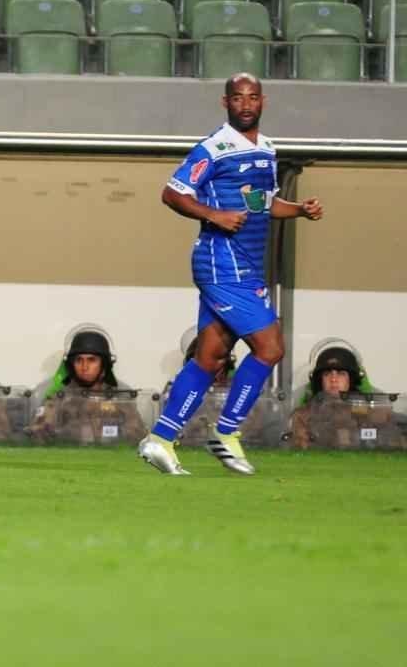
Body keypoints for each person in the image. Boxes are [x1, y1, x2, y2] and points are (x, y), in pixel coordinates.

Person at [139, 73, 324, 475]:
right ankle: (226, 433)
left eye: (252, 97)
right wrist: (213, 214)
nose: (245, 104)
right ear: (226, 103)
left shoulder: (267, 149)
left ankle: (160, 440)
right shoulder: (214, 147)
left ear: (263, 101)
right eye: (237, 98)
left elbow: (261, 202)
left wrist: (299, 210)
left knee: (210, 357)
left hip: (246, 263)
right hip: (222, 263)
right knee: (270, 347)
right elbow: (173, 193)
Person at [29, 324, 143, 445]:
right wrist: (56, 431)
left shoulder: (120, 396)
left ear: (104, 363)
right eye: (79, 360)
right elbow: (36, 434)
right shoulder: (60, 396)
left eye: (91, 360)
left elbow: (138, 435)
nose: (84, 367)